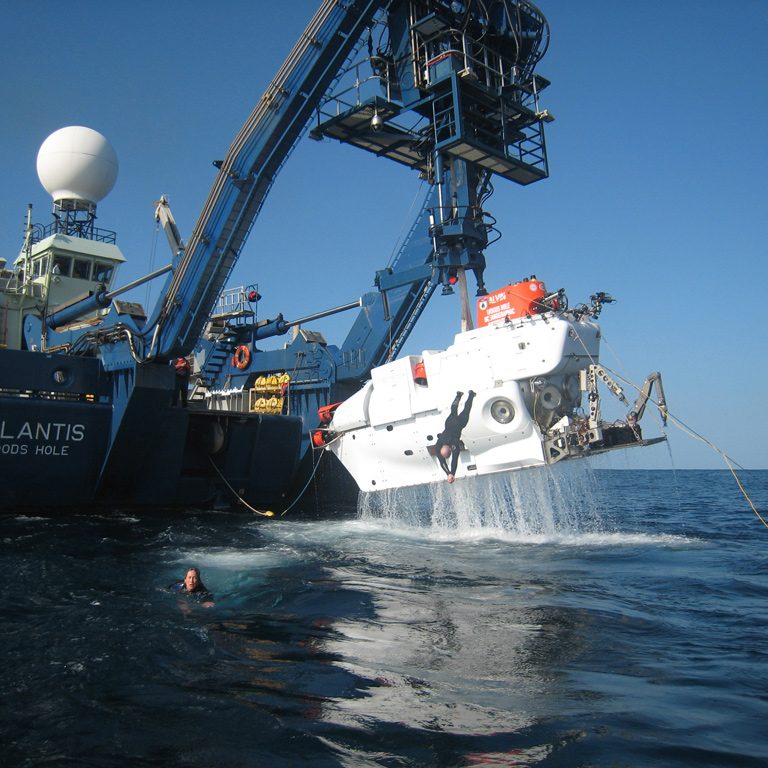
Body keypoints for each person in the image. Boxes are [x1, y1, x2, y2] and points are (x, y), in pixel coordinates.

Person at [434, 390, 475, 482]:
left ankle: (471, 395)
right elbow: (442, 461)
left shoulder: (455, 446)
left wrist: (451, 473)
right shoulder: (439, 442)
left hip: (459, 424)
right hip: (449, 423)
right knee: (453, 410)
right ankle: (458, 395)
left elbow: (453, 462)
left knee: (466, 410)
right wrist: (449, 473)